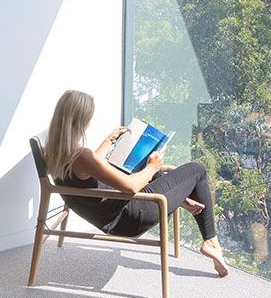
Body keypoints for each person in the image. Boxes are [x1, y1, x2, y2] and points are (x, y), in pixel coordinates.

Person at [44, 89, 229, 278]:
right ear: (81, 119)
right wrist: (153, 167)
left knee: (138, 168)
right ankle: (211, 241)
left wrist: (109, 140)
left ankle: (182, 199)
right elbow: (131, 187)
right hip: (129, 218)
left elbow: (90, 167)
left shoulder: (54, 151)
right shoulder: (81, 155)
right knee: (197, 170)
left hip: (111, 215)